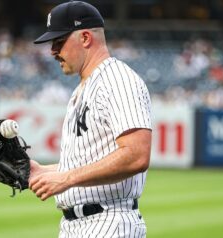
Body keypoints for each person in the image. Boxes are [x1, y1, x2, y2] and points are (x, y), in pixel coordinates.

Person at [29, 1, 152, 237]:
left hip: (109, 222)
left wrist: (66, 178)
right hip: (78, 225)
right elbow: (92, 158)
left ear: (85, 38)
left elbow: (137, 155)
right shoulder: (83, 88)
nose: (53, 51)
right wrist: (44, 172)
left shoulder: (118, 80)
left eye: (59, 41)